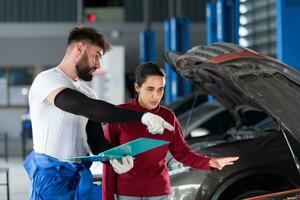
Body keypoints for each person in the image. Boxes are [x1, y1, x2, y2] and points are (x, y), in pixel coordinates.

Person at [23, 27, 174, 200]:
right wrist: (141, 116)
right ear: (79, 48)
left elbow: (97, 141)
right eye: (97, 55)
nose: (98, 64)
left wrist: (115, 156)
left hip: (79, 176)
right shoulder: (47, 79)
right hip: (50, 179)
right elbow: (89, 108)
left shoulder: (88, 93)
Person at [101, 62, 239, 200]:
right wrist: (107, 198)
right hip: (126, 194)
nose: (156, 96)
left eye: (160, 89)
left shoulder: (168, 116)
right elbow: (107, 161)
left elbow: (183, 153)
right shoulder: (119, 114)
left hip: (160, 193)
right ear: (137, 87)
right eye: (150, 89)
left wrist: (210, 162)